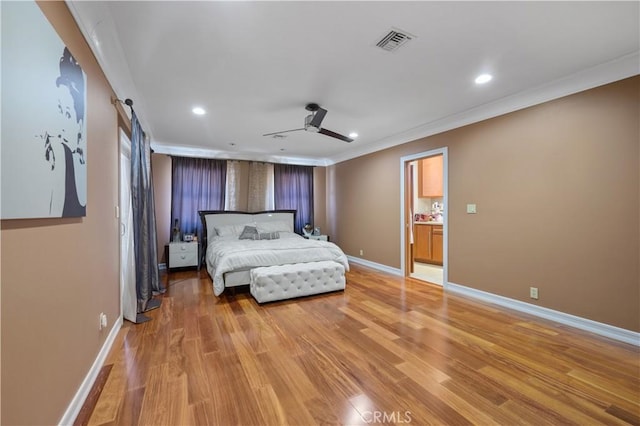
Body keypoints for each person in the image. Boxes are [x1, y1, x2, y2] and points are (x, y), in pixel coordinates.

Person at [42, 47, 86, 216]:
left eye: (67, 114)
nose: (60, 127)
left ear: (79, 127)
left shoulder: (63, 155)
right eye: (58, 111)